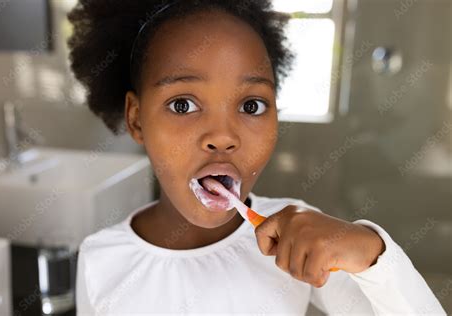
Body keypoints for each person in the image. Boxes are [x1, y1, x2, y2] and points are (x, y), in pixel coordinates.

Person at [66, 0, 445, 314]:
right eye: (182, 104)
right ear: (136, 119)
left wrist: (368, 250)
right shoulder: (100, 258)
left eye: (251, 105)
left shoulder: (299, 240)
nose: (223, 136)